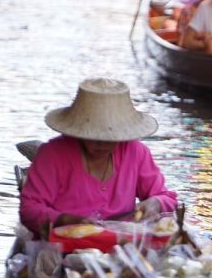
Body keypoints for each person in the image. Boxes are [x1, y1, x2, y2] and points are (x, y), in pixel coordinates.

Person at [19, 78, 178, 238]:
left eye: (110, 137)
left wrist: (156, 203)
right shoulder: (53, 154)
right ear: (80, 130)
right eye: (94, 135)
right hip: (63, 245)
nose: (101, 143)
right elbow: (30, 210)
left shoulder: (136, 152)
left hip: (121, 246)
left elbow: (168, 199)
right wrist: (64, 220)